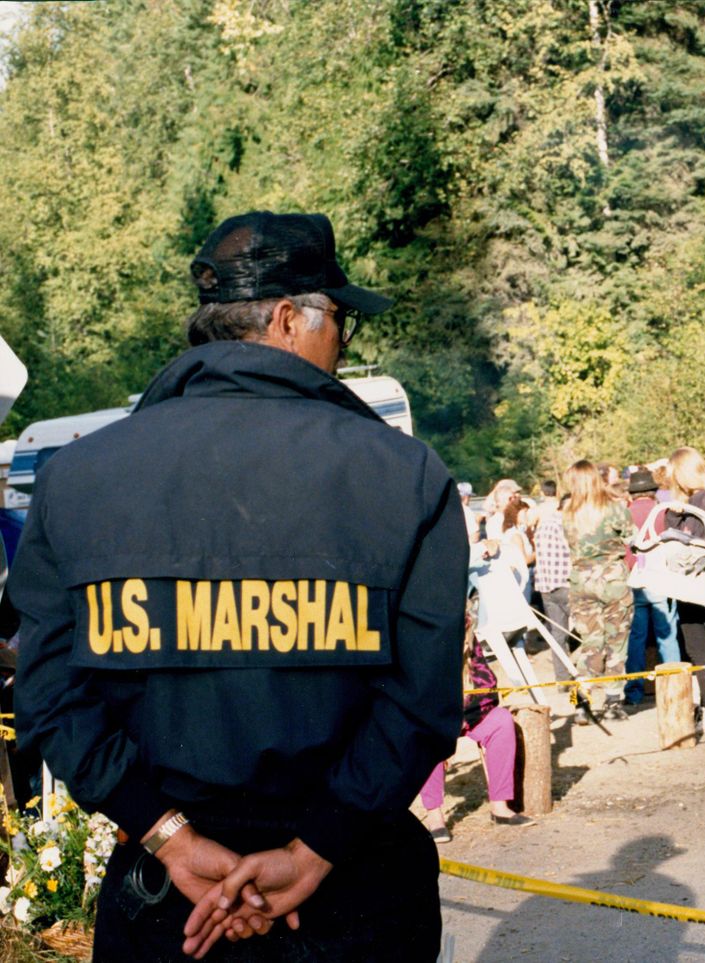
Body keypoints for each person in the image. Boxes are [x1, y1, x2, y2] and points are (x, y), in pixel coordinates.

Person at [9, 211, 467, 961]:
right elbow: (422, 704)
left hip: (167, 902)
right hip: (356, 896)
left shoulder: (76, 480)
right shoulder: (406, 475)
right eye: (340, 322)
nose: (343, 346)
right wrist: (317, 846)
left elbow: (50, 699)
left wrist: (171, 838)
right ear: (289, 318)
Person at [420, 628, 534, 844]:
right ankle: (435, 816)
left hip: (468, 716)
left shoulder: (469, 640)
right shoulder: (423, 643)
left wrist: (466, 718)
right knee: (428, 736)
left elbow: (489, 687)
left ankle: (500, 806)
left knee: (501, 720)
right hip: (435, 718)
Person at [561, 460, 634, 722]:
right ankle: (614, 702)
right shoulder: (615, 507)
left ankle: (579, 703)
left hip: (581, 581)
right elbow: (631, 539)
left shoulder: (567, 512)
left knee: (588, 644)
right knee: (617, 642)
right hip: (612, 580)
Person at [664, 447, 705, 721]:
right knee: (700, 647)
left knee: (698, 648)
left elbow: (685, 540)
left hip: (696, 582)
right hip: (700, 581)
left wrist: (676, 515)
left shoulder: (702, 500)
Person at [623, 468, 680, 707]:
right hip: (661, 578)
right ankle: (675, 688)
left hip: (634, 578)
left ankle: (634, 691)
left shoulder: (625, 512)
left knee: (636, 638)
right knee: (667, 635)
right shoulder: (662, 512)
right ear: (653, 491)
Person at [530, 482, 573, 683]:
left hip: (546, 585)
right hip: (566, 582)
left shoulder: (544, 523)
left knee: (558, 633)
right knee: (588, 629)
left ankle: (563, 679)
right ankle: (589, 676)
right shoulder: (564, 524)